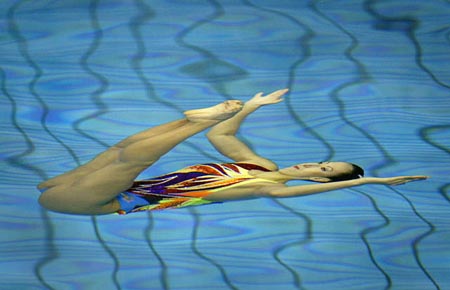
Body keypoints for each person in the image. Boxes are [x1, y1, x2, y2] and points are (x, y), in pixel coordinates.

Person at [37, 89, 427, 215]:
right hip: (79, 185)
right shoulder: (259, 165)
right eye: (324, 161)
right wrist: (252, 106)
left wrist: (370, 180)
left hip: (97, 202)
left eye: (323, 171)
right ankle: (197, 120)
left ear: (315, 180)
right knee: (123, 149)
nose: (315, 165)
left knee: (133, 158)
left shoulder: (266, 187)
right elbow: (225, 136)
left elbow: (310, 193)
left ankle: (195, 121)